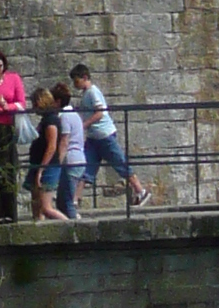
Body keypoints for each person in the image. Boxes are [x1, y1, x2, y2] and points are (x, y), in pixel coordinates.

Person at [70, 63, 150, 208]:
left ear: (85, 77)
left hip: (104, 135)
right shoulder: (86, 94)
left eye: (76, 80)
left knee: (119, 162)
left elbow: (100, 112)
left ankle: (140, 190)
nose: (75, 84)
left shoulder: (93, 92)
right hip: (94, 137)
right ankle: (75, 200)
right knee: (85, 167)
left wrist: (84, 125)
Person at [0, 47, 28, 224]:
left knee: (9, 168)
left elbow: (21, 104)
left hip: (7, 127)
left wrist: (6, 107)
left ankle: (11, 212)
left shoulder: (13, 79)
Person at [28, 87, 66, 222]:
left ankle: (71, 226)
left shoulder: (51, 120)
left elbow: (51, 147)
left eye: (35, 103)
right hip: (39, 164)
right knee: (37, 205)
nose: (33, 107)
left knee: (46, 208)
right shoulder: (46, 119)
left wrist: (41, 170)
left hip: (48, 167)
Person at [55, 81, 88, 219]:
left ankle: (76, 227)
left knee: (67, 201)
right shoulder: (75, 115)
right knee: (63, 201)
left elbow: (64, 141)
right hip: (79, 159)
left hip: (71, 161)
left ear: (57, 101)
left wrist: (58, 162)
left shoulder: (65, 117)